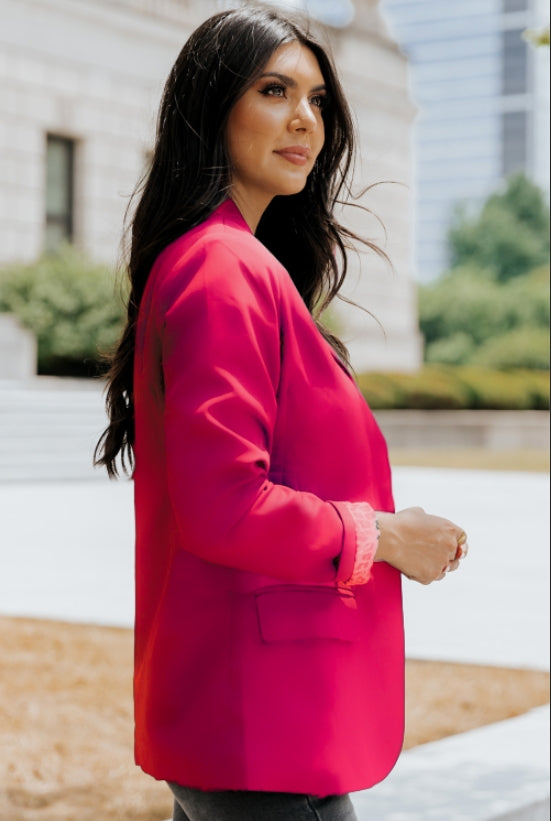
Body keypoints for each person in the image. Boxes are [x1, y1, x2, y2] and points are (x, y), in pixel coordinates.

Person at [95, 7, 468, 821]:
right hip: (257, 725)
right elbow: (224, 505)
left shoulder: (223, 262)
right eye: (274, 90)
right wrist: (386, 535)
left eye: (318, 99)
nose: (306, 119)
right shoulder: (221, 270)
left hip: (250, 718)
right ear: (211, 108)